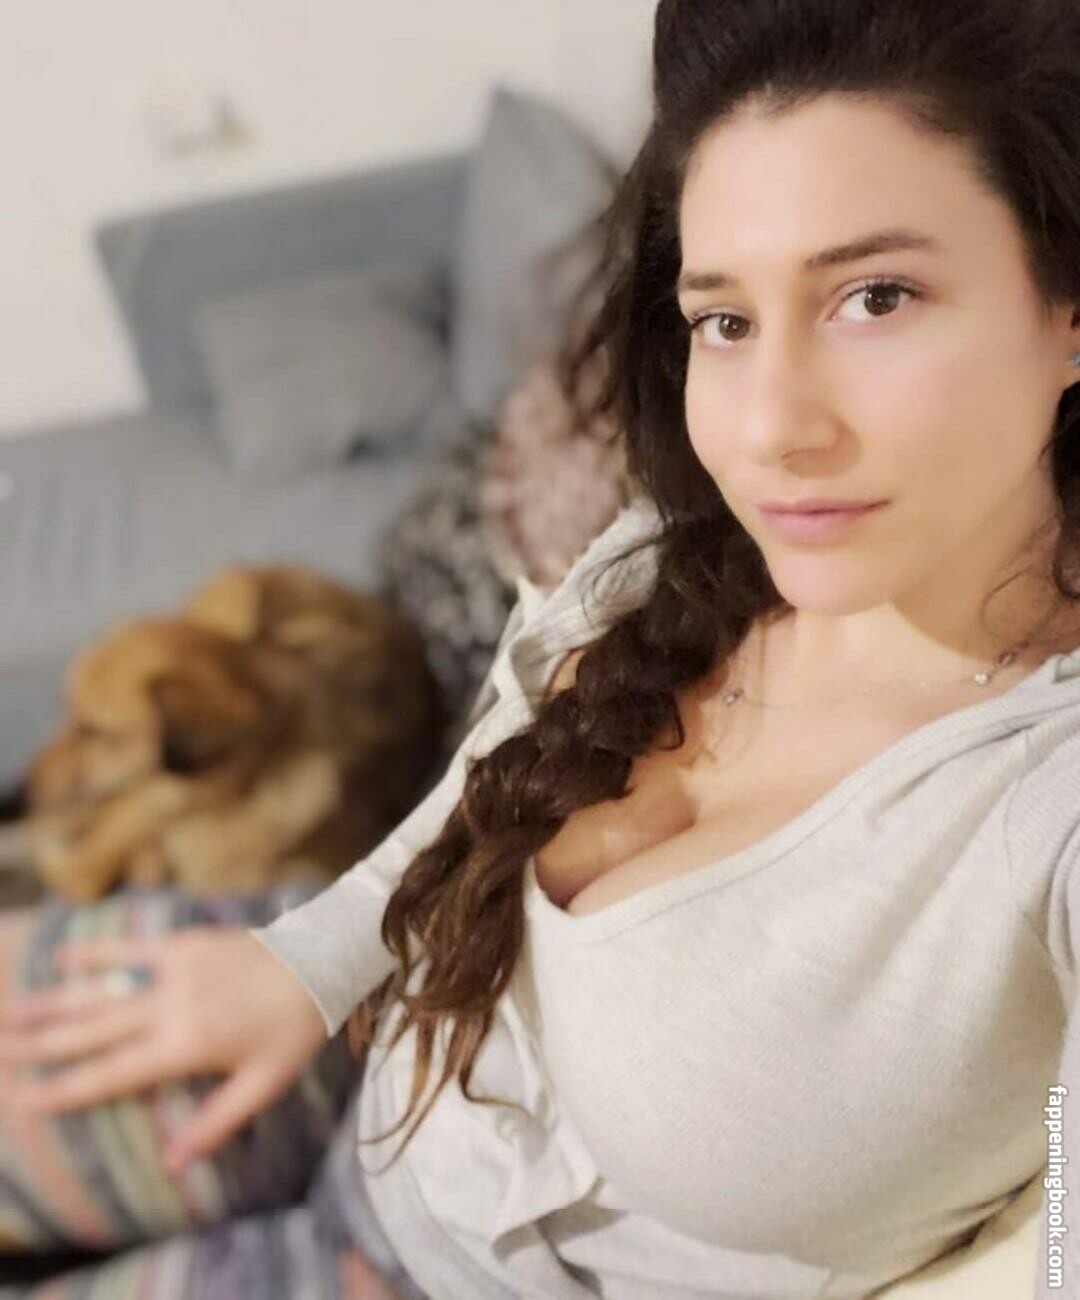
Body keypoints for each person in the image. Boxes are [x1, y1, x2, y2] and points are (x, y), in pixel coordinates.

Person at [5, 0, 1080, 1294]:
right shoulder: (683, 554)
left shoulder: (1045, 811)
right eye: (725, 320)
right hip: (372, 1037)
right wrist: (308, 961)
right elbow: (498, 771)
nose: (769, 431)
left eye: (875, 296)